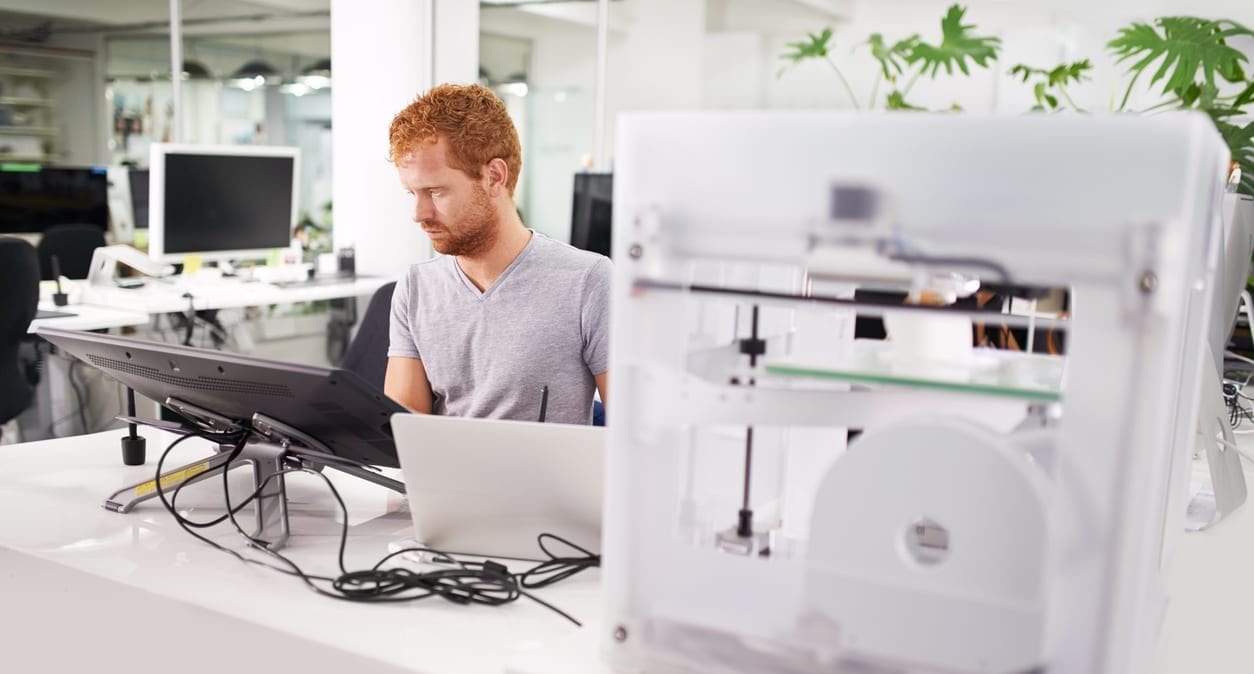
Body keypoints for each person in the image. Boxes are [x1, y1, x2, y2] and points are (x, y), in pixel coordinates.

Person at [383, 83, 610, 425]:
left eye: (435, 191)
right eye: (412, 193)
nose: (419, 213)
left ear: (494, 177)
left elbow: (634, 439)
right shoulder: (416, 287)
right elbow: (399, 434)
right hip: (444, 476)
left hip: (543, 479)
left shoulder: (588, 282)